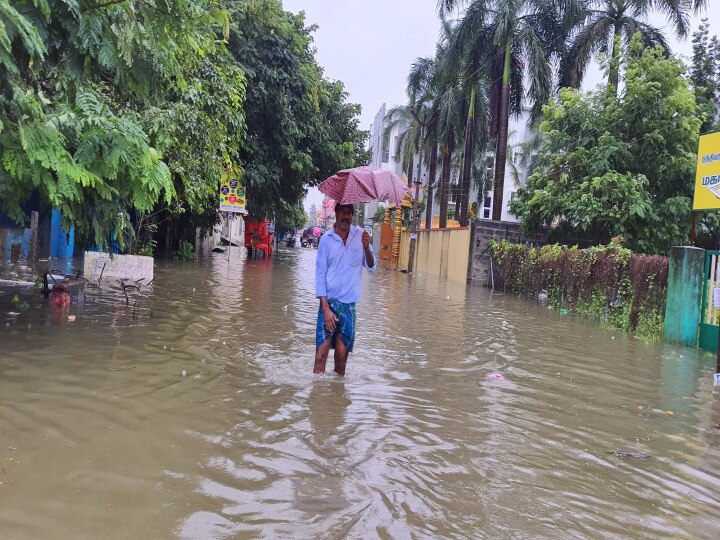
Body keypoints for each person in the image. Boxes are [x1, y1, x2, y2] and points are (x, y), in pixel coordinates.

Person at [314, 202, 376, 376]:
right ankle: (317, 399)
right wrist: (325, 308)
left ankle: (336, 399)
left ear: (352, 215)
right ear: (336, 213)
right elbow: (320, 275)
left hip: (348, 306)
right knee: (320, 357)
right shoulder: (326, 240)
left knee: (341, 360)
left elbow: (371, 267)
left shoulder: (361, 237)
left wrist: (366, 248)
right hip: (328, 305)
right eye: (342, 212)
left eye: (349, 212)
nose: (346, 216)